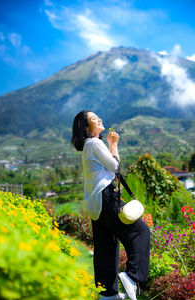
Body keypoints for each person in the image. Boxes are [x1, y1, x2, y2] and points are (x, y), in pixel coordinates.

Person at [71, 111, 150, 300]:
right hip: (106, 196)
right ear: (86, 127)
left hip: (95, 203)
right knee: (140, 232)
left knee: (106, 247)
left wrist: (111, 147)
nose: (98, 118)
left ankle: (108, 294)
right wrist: (113, 144)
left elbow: (113, 169)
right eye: (93, 118)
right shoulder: (94, 143)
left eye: (97, 116)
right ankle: (132, 277)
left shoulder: (90, 147)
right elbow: (116, 167)